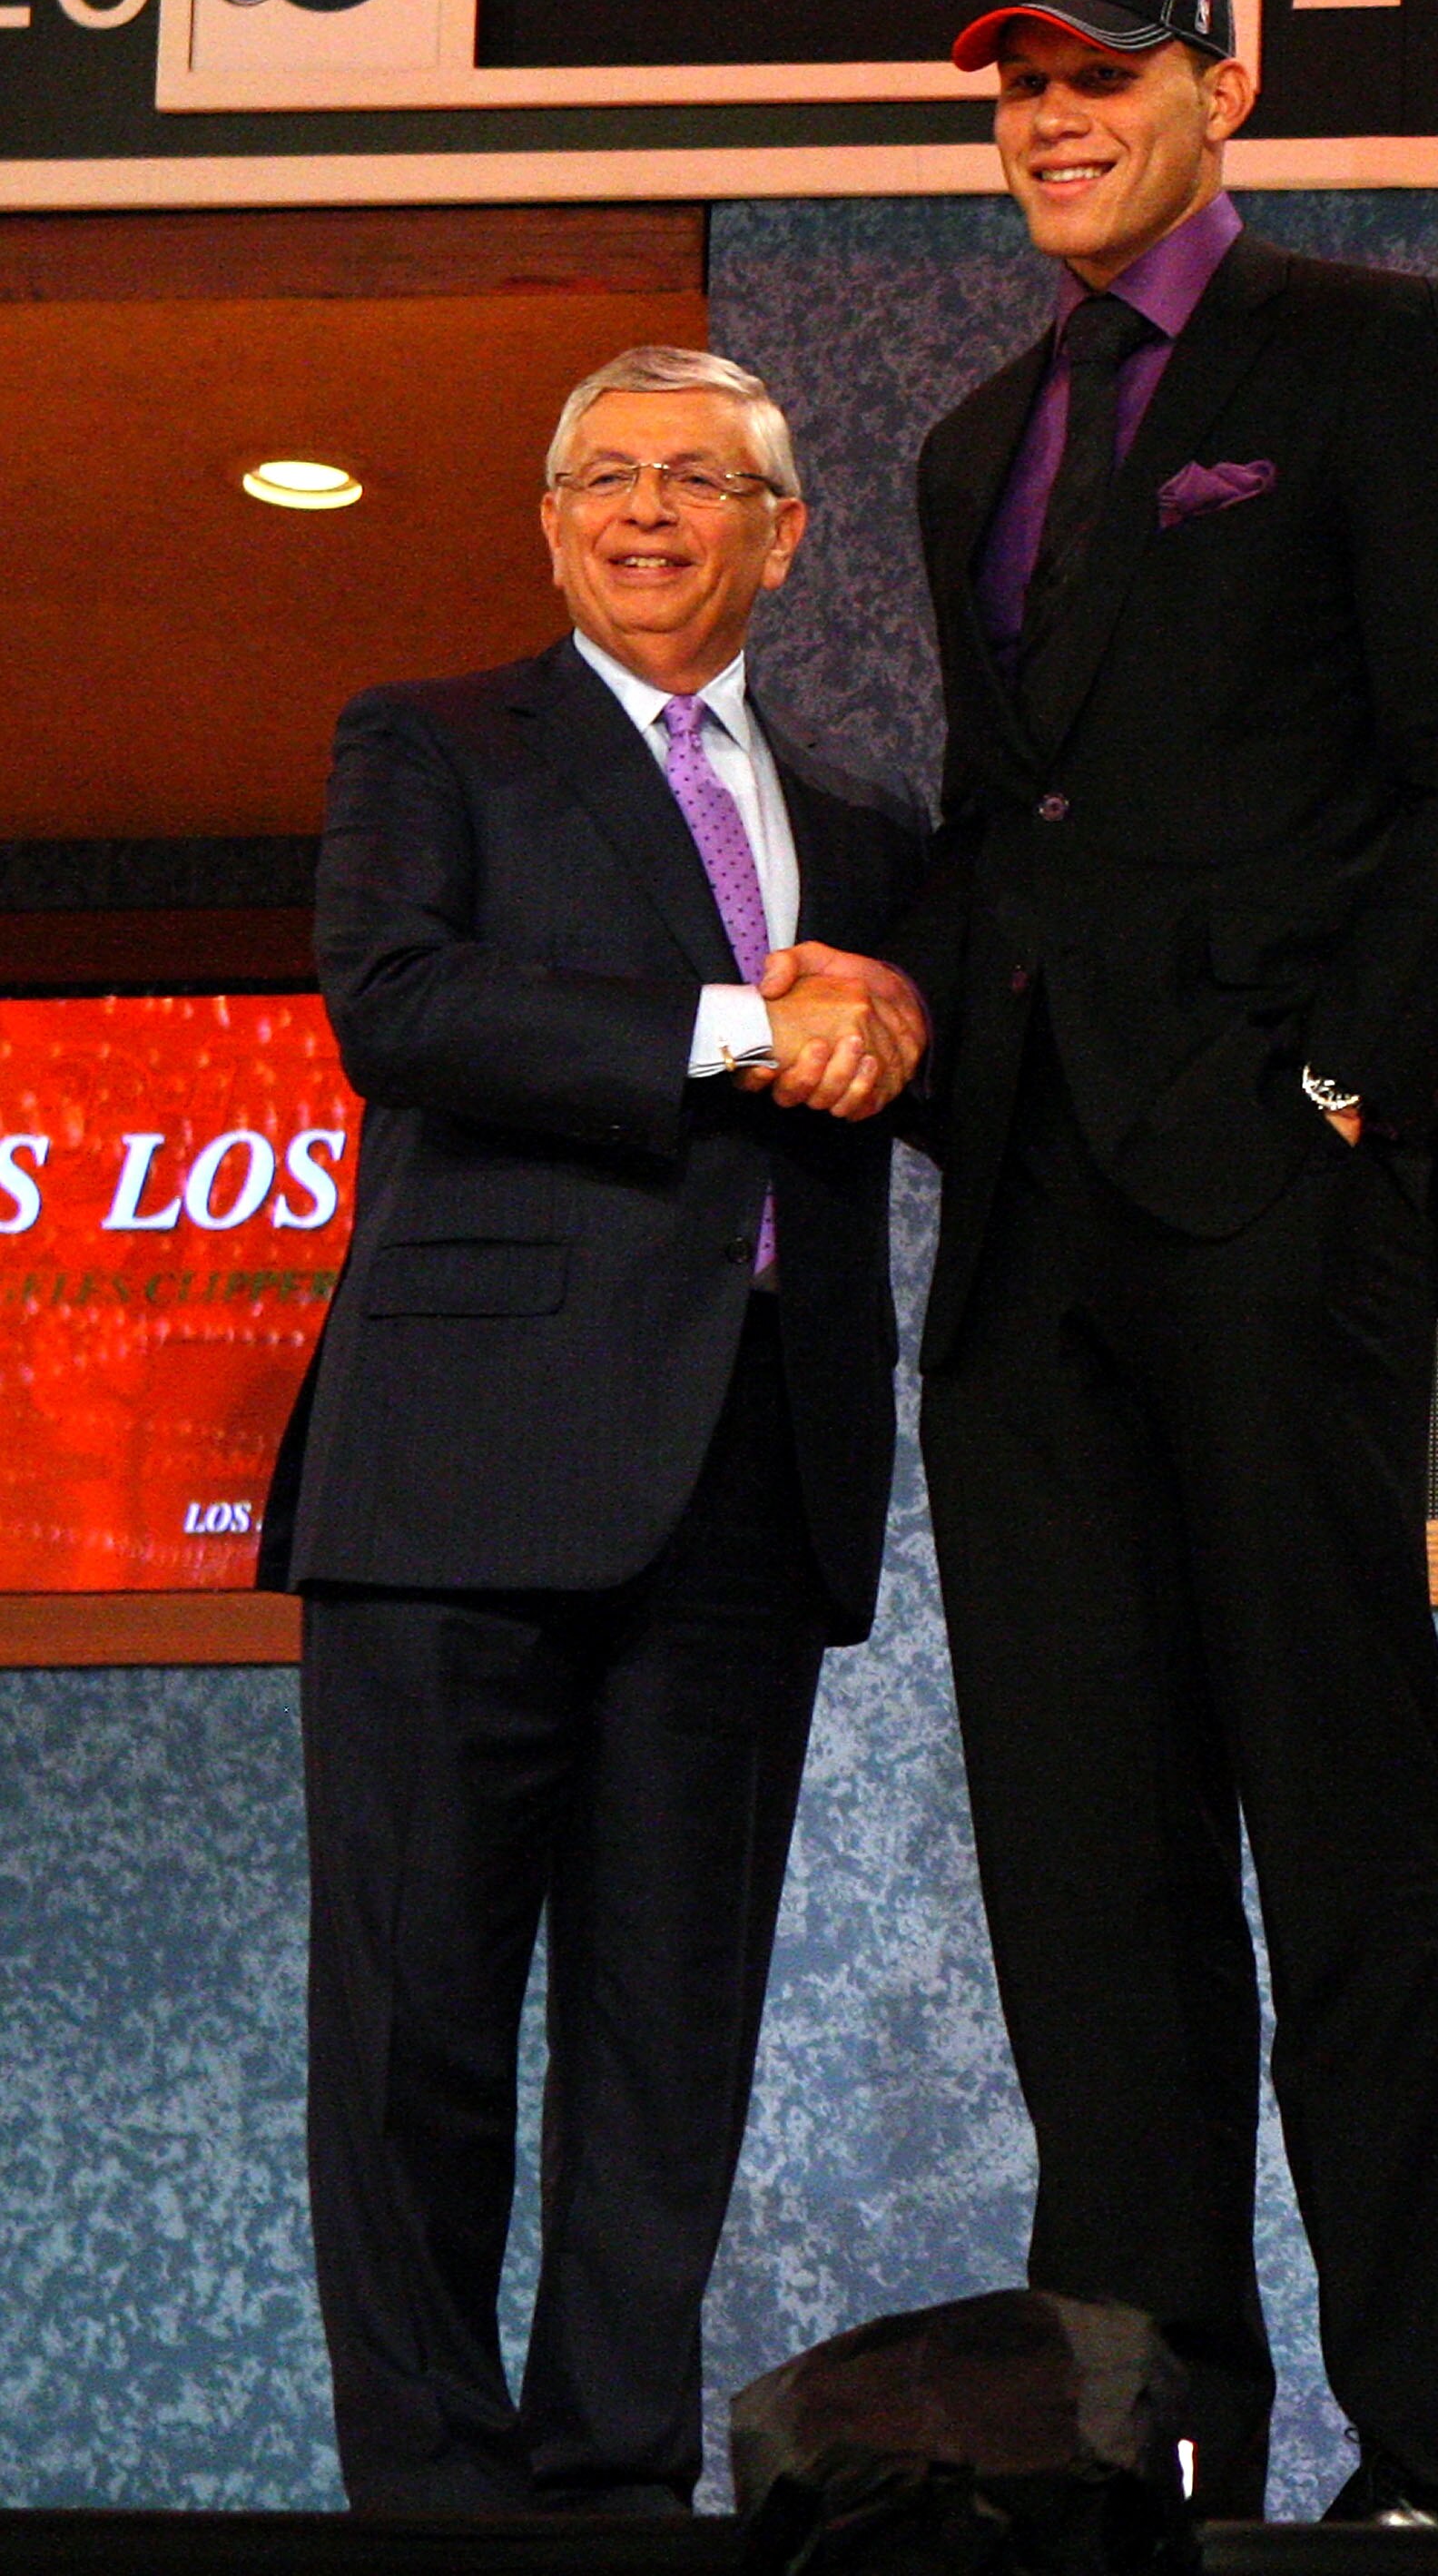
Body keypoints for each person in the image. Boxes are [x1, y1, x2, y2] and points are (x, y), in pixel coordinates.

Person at [773, 0, 1438, 2528]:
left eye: (1097, 65)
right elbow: (1033, 842)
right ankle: (1158, 2455)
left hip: (1270, 1210)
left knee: (1337, 1837)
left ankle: (1430, 2459)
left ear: (1214, 83)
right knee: (1085, 1890)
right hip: (1020, 1258)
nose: (1043, 112)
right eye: (1010, 77)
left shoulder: (1372, 356)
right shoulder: (961, 445)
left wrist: (1344, 1088)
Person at [259, 345, 928, 2514]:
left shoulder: (867, 834)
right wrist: (754, 1023)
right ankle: (437, 2507)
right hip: (457, 1481)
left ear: (785, 532)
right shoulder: (438, 742)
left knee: (670, 2054)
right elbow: (399, 1004)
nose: (651, 510)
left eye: (703, 479)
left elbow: (922, 1073)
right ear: (550, 525)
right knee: (415, 2032)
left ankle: (614, 2495)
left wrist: (897, 1014)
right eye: (607, 476)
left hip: (748, 1485)